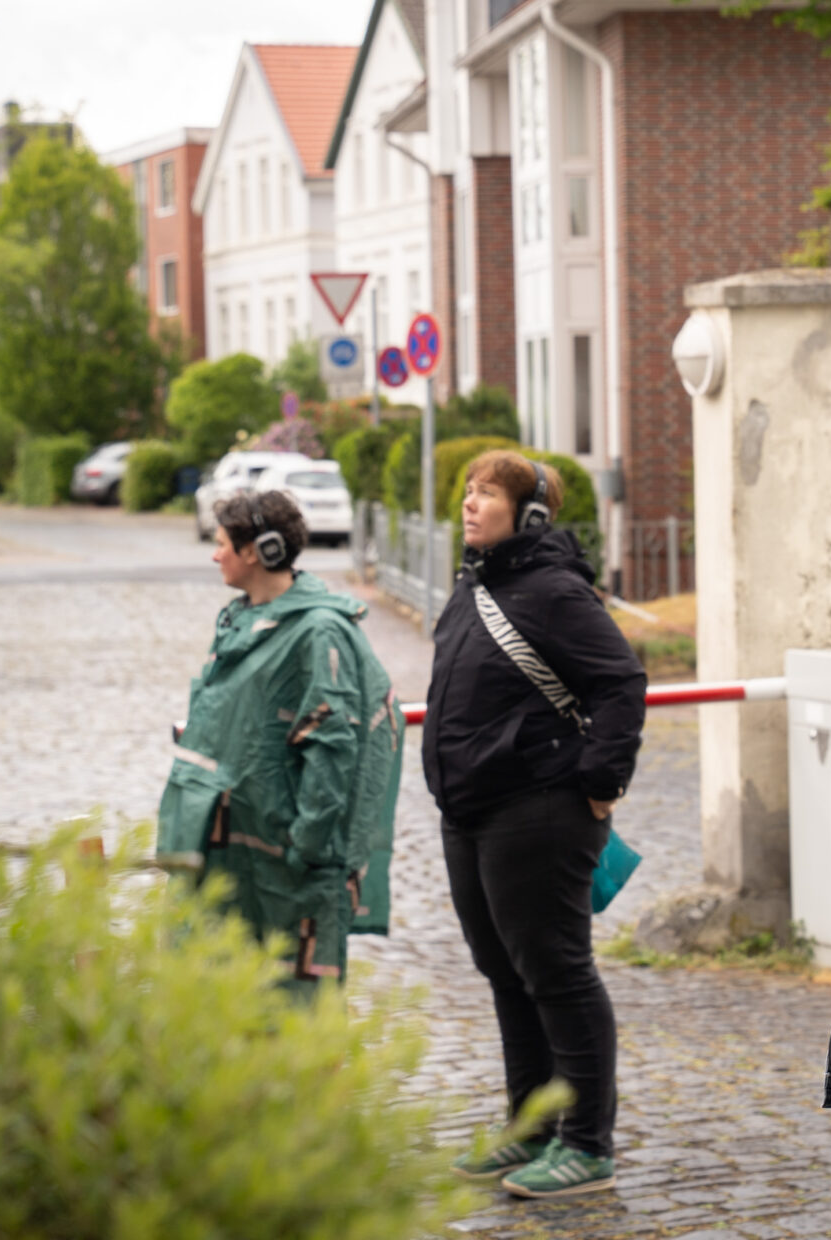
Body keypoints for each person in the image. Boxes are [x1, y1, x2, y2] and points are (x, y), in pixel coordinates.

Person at [425, 451, 646, 1199]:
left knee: (557, 975)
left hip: (539, 809)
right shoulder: (474, 586)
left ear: (530, 515)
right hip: (471, 813)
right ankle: (531, 1129)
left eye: (485, 493)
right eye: (467, 491)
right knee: (507, 975)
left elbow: (620, 680)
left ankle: (586, 1143)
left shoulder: (551, 588)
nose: (469, 503)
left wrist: (601, 779)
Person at [157, 489, 402, 990]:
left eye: (223, 542)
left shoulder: (317, 633)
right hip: (229, 853)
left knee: (291, 1006)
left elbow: (333, 746)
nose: (215, 553)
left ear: (259, 552)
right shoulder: (237, 621)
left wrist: (304, 845)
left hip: (283, 866)